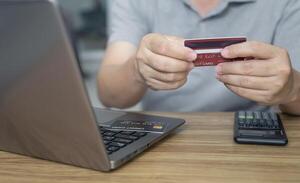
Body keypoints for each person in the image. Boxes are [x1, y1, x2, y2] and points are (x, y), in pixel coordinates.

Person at [97, 0, 300, 115]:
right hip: (161, 139)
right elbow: (109, 95)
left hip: (251, 138)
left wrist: (291, 88)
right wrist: (137, 70)